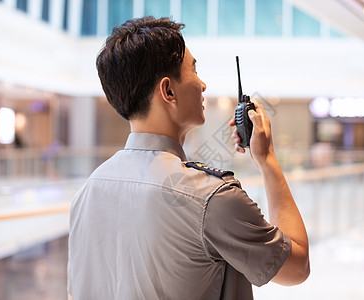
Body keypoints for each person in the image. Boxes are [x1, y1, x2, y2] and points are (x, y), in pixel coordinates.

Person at [67, 16, 309, 300]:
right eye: (194, 71)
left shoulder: (87, 193)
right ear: (168, 91)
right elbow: (297, 266)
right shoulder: (211, 197)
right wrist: (267, 161)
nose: (203, 84)